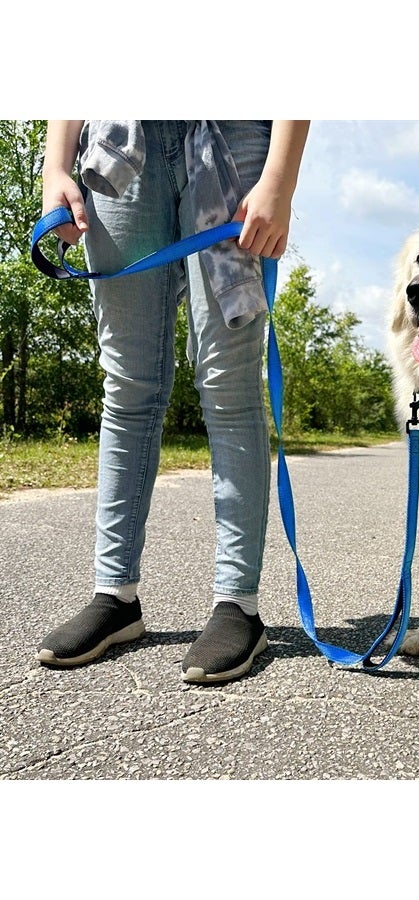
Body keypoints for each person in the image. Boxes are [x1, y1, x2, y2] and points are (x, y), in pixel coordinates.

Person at [36, 120, 310, 683]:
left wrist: (279, 179)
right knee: (127, 386)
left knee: (229, 385)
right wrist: (54, 164)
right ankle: (115, 595)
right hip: (119, 137)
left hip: (232, 136)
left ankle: (239, 605)